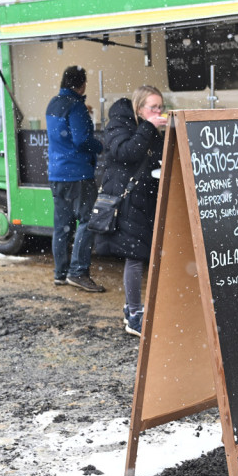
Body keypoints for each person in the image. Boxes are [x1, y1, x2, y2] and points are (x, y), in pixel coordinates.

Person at [93, 86, 168, 336]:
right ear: (139, 108)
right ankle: (134, 315)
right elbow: (126, 153)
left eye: (160, 107)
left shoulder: (152, 128)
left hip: (145, 198)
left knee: (142, 255)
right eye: (152, 107)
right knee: (134, 257)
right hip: (126, 200)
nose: (158, 112)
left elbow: (155, 157)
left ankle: (133, 310)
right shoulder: (119, 124)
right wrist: (149, 126)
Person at [46, 65, 105, 292]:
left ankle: (60, 273)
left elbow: (64, 133)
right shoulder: (76, 107)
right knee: (88, 221)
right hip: (78, 174)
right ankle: (78, 272)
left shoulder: (53, 104)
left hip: (57, 174)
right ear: (81, 85)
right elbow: (81, 141)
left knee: (62, 226)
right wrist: (99, 145)